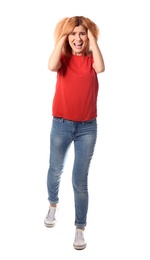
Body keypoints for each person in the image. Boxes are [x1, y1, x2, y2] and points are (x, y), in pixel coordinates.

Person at [44, 16, 105, 250]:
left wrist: (92, 38)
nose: (78, 38)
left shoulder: (91, 60)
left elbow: (101, 68)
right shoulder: (62, 59)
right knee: (55, 168)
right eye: (73, 34)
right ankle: (52, 204)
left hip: (87, 128)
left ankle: (80, 228)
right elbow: (50, 66)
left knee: (80, 180)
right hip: (61, 124)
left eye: (82, 34)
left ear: (88, 36)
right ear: (66, 37)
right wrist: (62, 36)